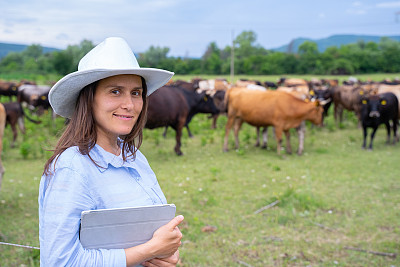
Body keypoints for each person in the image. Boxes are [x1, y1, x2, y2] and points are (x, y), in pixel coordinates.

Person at [38, 37, 183, 267]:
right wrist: (149, 250)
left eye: (136, 93)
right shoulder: (73, 169)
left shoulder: (134, 157)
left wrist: (167, 254)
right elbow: (60, 262)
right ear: (88, 99)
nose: (130, 104)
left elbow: (155, 232)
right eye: (115, 91)